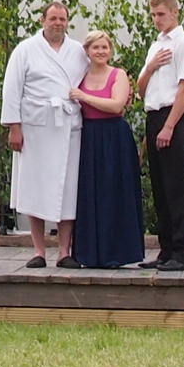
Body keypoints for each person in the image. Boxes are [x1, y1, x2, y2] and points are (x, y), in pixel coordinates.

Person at [1, 0, 89, 268]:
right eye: (53, 19)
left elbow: (92, 81)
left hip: (68, 126)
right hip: (35, 127)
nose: (58, 24)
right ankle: (39, 250)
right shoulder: (25, 50)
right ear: (43, 20)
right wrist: (14, 127)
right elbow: (12, 89)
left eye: (62, 19)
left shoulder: (78, 51)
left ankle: (64, 251)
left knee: (68, 188)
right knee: (35, 188)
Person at [133, 0, 184, 270]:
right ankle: (166, 249)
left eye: (161, 14)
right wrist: (149, 68)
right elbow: (141, 90)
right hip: (153, 114)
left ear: (174, 12)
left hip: (173, 114)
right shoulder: (156, 46)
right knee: (159, 186)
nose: (157, 20)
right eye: (153, 15)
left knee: (175, 185)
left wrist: (170, 126)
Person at [69, 31, 143, 269]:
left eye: (105, 47)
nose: (101, 52)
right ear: (87, 51)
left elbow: (116, 105)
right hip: (88, 137)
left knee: (114, 193)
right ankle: (89, 254)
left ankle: (116, 253)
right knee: (89, 193)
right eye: (96, 47)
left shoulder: (118, 74)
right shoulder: (80, 75)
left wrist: (84, 97)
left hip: (114, 138)